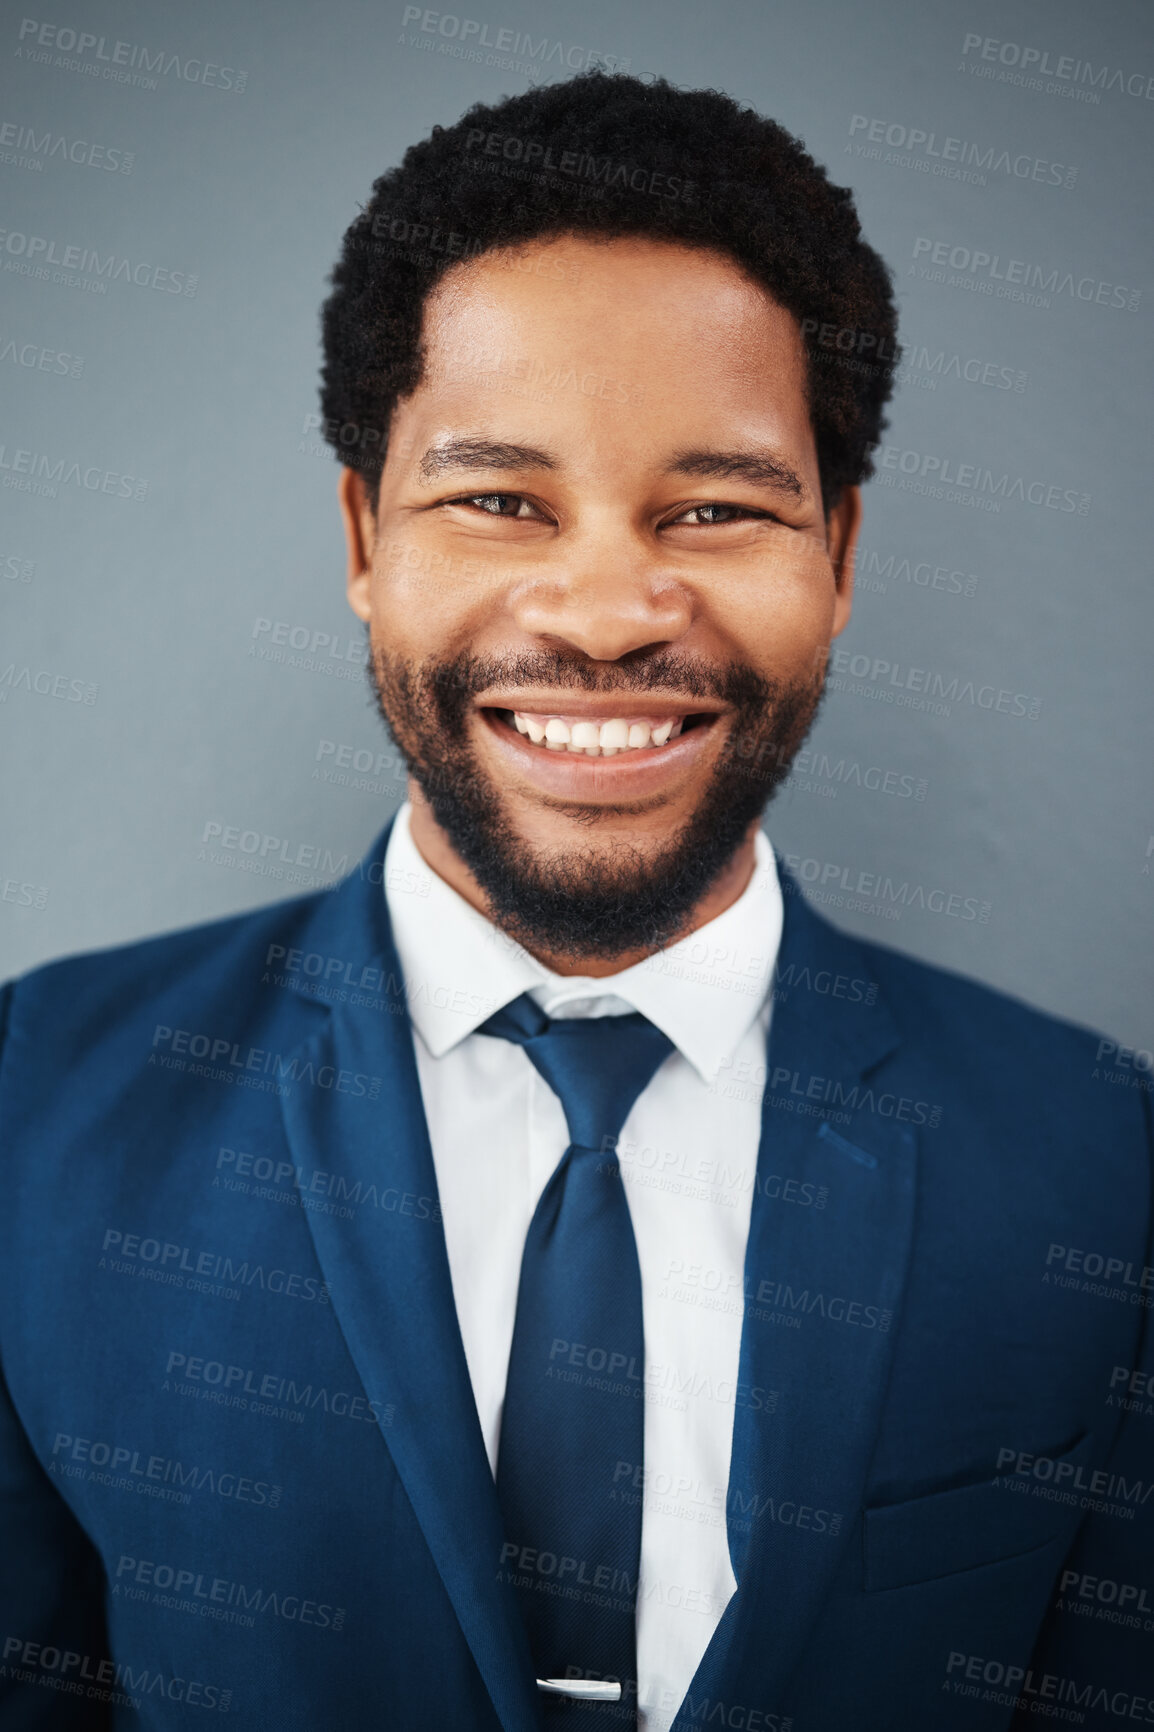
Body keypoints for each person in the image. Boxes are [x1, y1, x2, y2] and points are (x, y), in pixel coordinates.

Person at [0, 69, 1148, 1732]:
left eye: (715, 507)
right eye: (497, 499)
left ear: (837, 558)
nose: (607, 607)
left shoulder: (1097, 1155)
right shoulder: (37, 1104)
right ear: (363, 537)